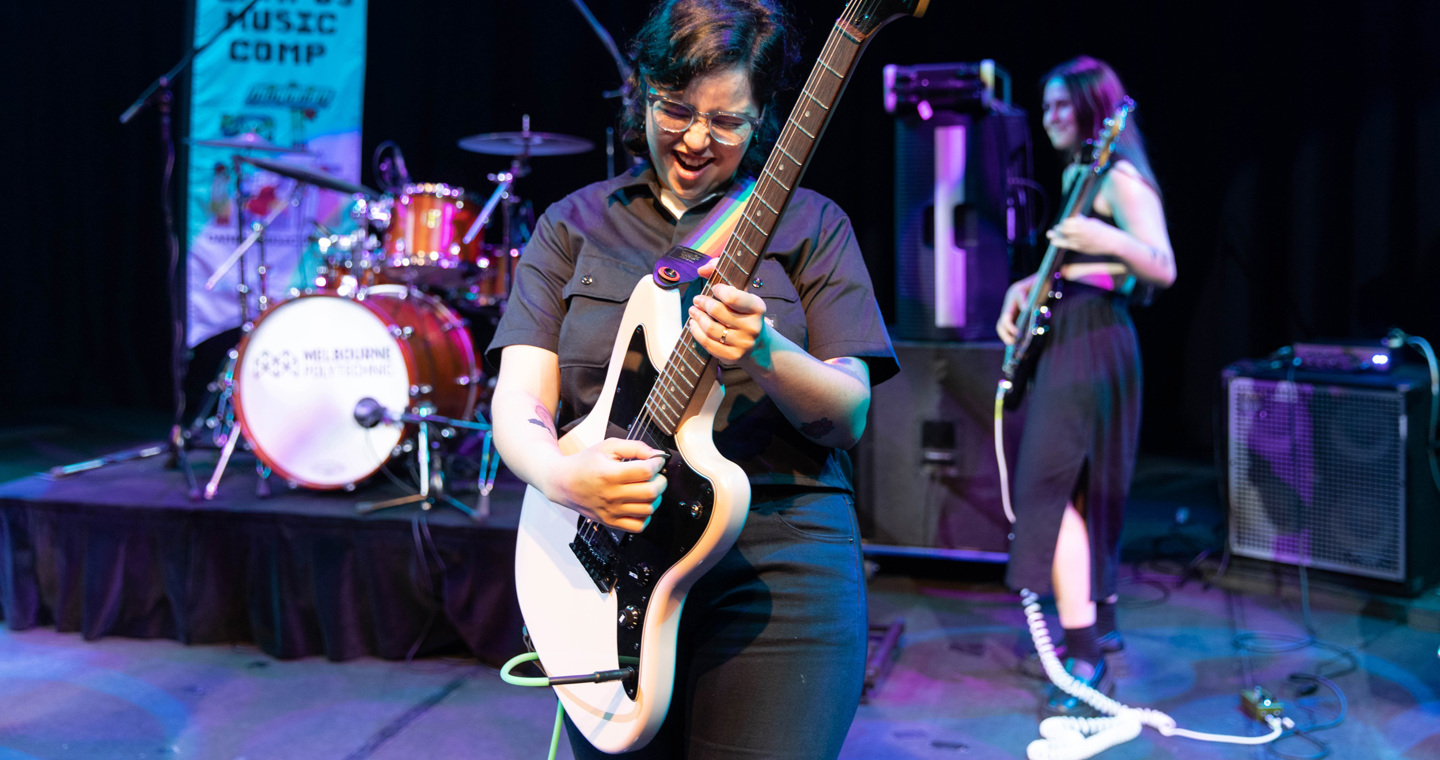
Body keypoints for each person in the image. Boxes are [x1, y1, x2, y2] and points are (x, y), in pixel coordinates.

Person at [486, 1, 898, 757]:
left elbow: (850, 412)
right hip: (608, 565)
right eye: (676, 109)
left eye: (729, 120)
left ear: (764, 114)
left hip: (780, 568)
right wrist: (562, 477)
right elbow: (519, 399)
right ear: (641, 88)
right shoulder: (572, 224)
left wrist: (768, 353)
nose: (698, 139)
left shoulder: (812, 225)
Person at [995, 55, 1176, 715]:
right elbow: (1077, 266)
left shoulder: (1119, 175)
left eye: (1059, 107)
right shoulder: (1077, 175)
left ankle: (1083, 650)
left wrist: (1103, 233)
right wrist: (1025, 287)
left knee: (1051, 483)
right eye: (1044, 108)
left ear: (1094, 109)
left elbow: (1161, 267)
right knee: (1077, 485)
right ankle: (1096, 623)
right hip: (1072, 326)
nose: (1047, 120)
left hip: (1096, 337)